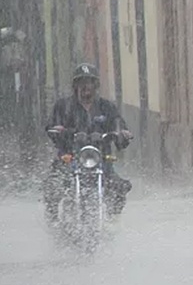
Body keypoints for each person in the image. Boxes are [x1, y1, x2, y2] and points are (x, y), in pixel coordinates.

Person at [43, 63, 133, 225]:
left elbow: (119, 126)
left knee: (119, 187)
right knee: (52, 185)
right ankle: (54, 223)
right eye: (81, 82)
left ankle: (112, 221)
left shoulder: (107, 107)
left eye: (90, 82)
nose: (86, 86)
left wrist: (121, 134)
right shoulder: (63, 106)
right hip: (69, 159)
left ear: (96, 85)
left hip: (101, 161)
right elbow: (52, 128)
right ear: (75, 85)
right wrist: (62, 132)